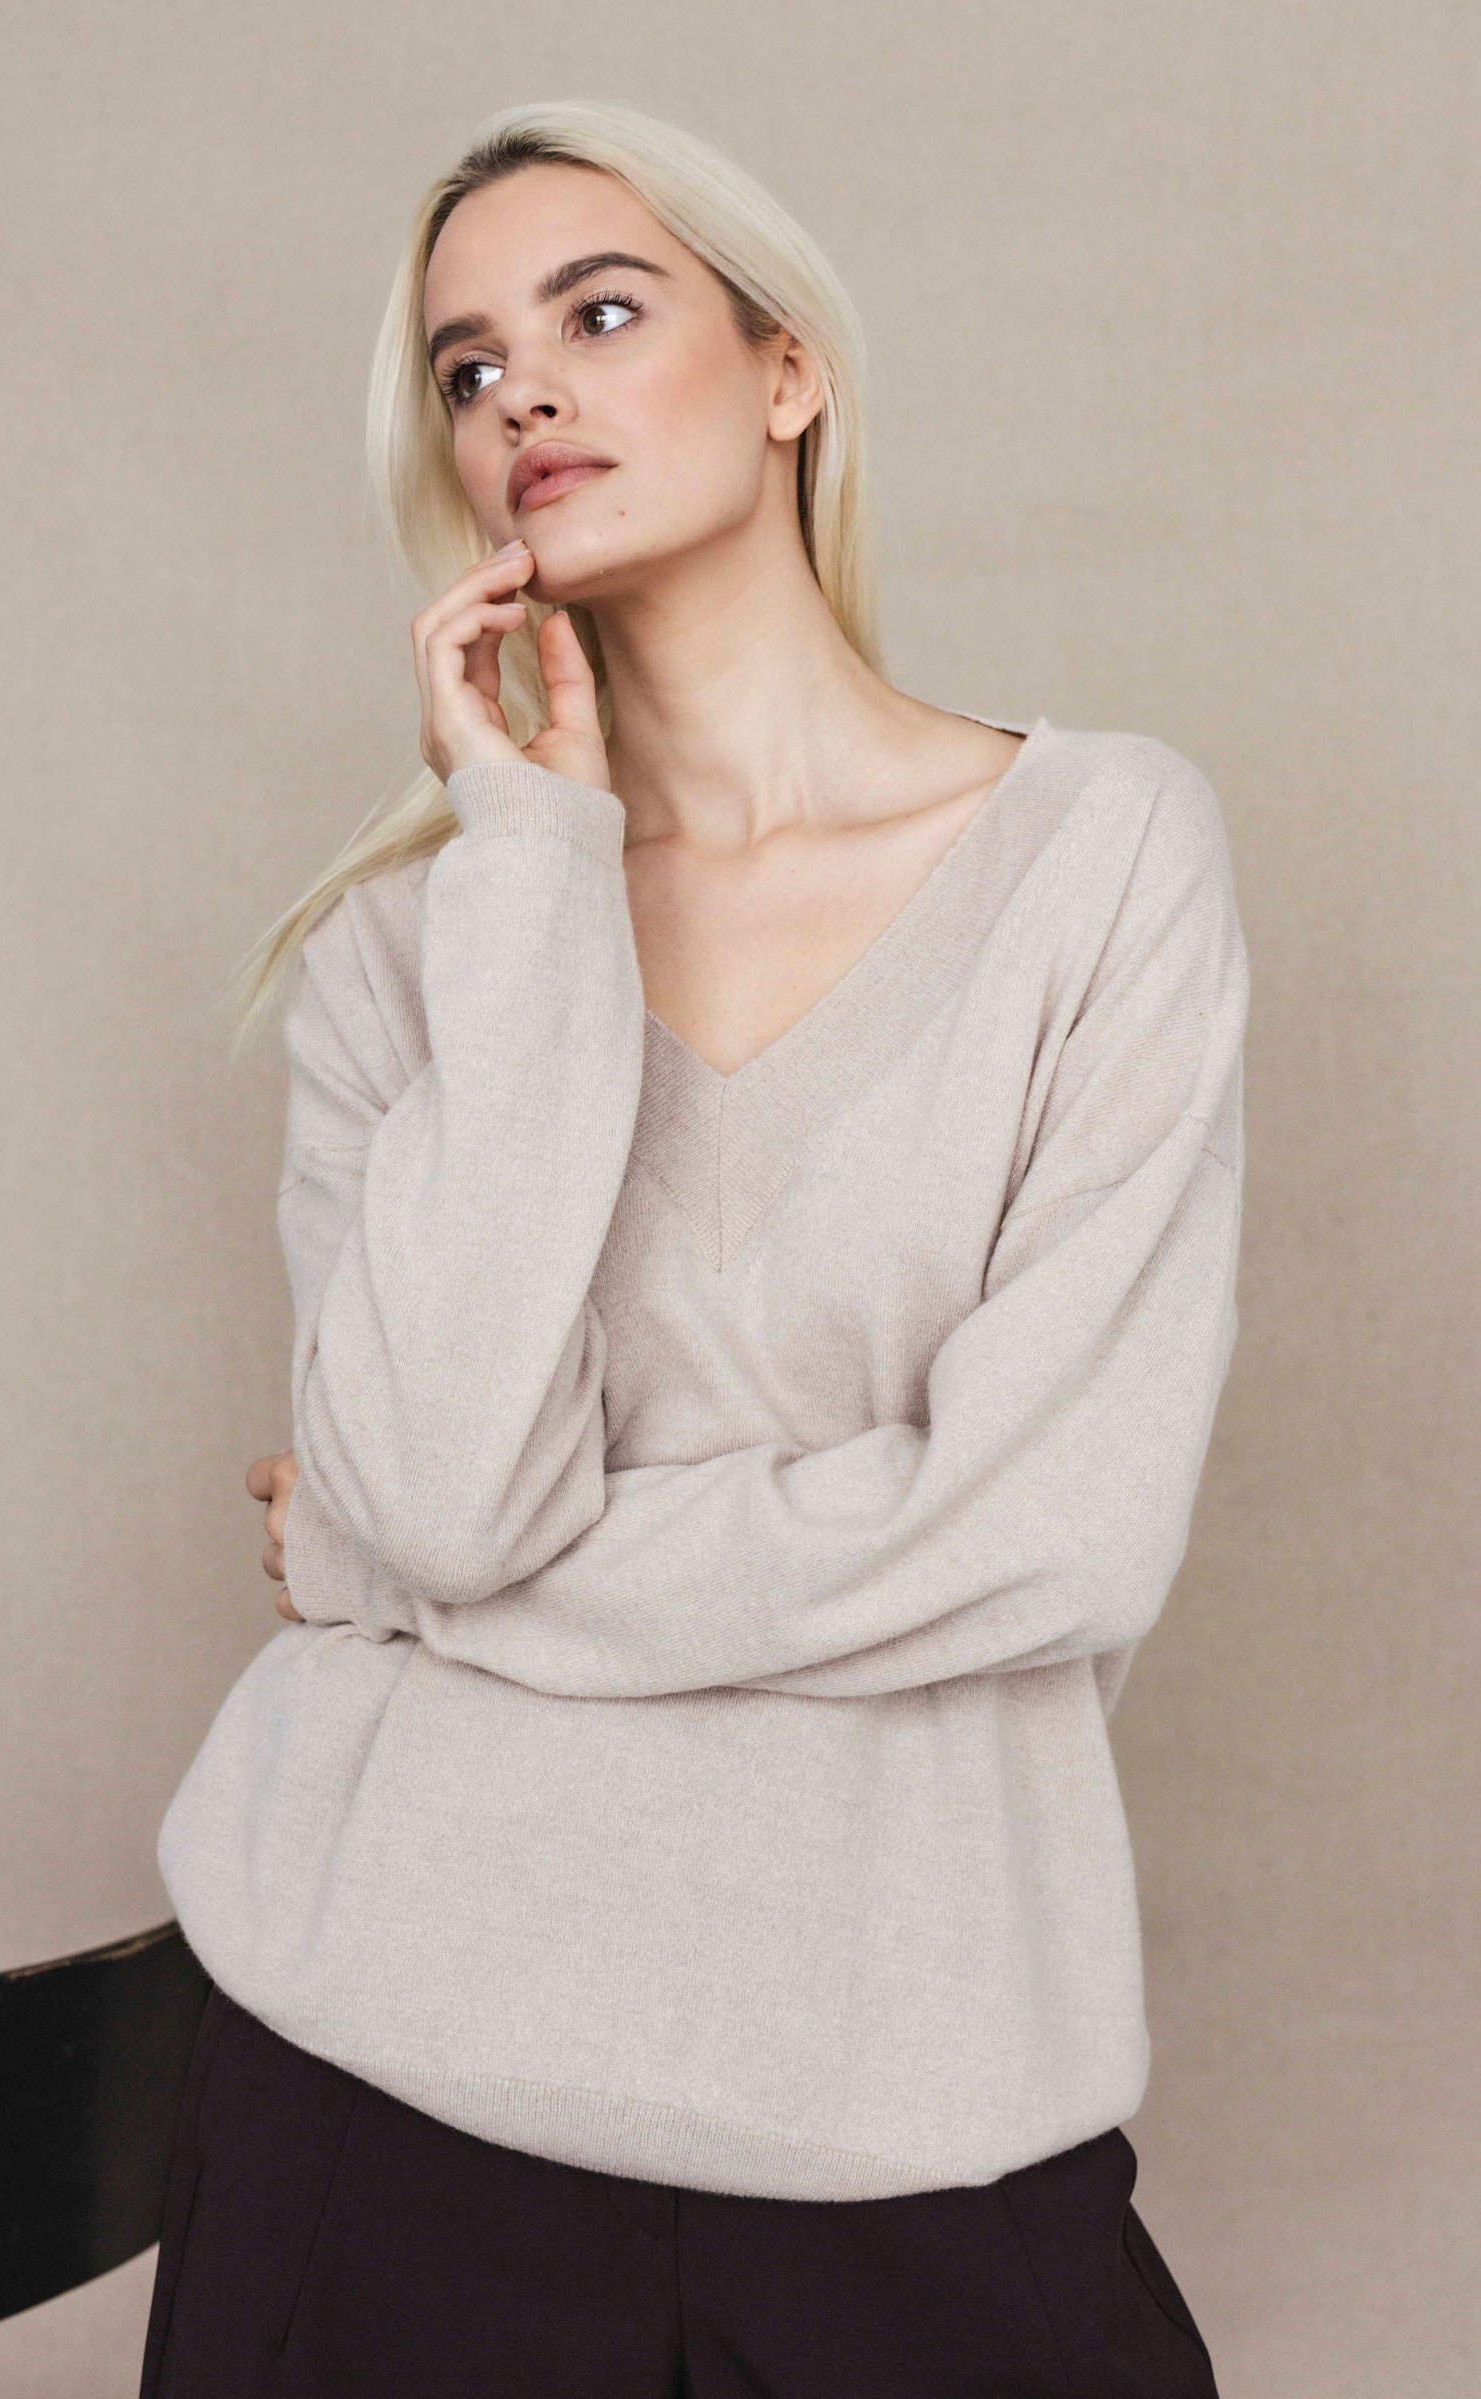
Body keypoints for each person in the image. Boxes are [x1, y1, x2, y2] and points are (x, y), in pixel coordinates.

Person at [141, 96, 1244, 2398]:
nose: (521, 395)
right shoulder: (412, 947)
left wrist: (388, 1576)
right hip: (374, 2070)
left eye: (600, 312)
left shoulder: (1100, 858)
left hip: (911, 2094)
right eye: (465, 366)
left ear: (784, 370)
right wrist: (531, 870)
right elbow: (456, 1488)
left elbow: (1050, 1532)